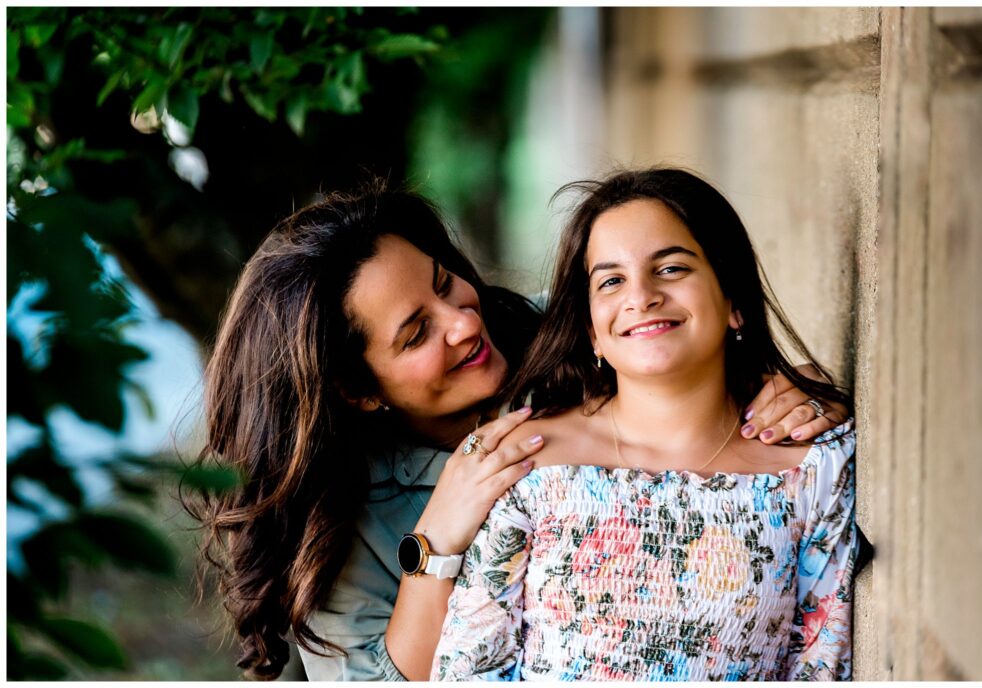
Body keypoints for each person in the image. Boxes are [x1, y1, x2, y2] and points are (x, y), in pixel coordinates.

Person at [190, 177, 850, 681]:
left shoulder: (555, 334)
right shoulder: (335, 520)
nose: (463, 324)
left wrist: (791, 386)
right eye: (418, 332)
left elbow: (672, 338)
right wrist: (438, 537)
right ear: (357, 390)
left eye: (446, 284)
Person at [431, 168, 859, 681]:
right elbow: (468, 670)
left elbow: (820, 664)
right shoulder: (529, 462)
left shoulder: (812, 468)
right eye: (611, 280)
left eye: (672, 268)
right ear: (592, 330)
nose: (641, 295)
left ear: (735, 302)